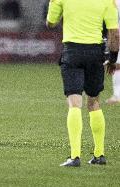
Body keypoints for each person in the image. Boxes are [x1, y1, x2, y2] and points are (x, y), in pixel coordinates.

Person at [46, 0, 119, 167]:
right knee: (94, 102)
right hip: (95, 53)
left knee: (74, 102)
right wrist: (112, 59)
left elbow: (51, 22)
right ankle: (99, 155)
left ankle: (75, 156)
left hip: (73, 51)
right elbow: (114, 33)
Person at [106, 0, 120, 104]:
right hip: (116, 34)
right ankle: (117, 94)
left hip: (116, 34)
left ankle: (117, 95)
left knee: (117, 65)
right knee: (117, 64)